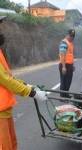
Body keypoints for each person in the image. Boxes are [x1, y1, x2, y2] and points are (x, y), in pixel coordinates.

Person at [0, 16, 48, 150]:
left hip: (4, 110)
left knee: (12, 145)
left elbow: (8, 76)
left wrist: (27, 85)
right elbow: (6, 80)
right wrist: (32, 93)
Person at [59, 29, 75, 97]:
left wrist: (72, 65)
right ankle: (62, 96)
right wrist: (63, 67)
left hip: (70, 65)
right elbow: (62, 55)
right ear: (67, 35)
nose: (71, 37)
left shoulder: (71, 43)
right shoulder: (64, 42)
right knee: (64, 81)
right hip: (64, 65)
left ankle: (66, 94)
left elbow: (70, 55)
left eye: (73, 36)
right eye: (70, 36)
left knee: (68, 81)